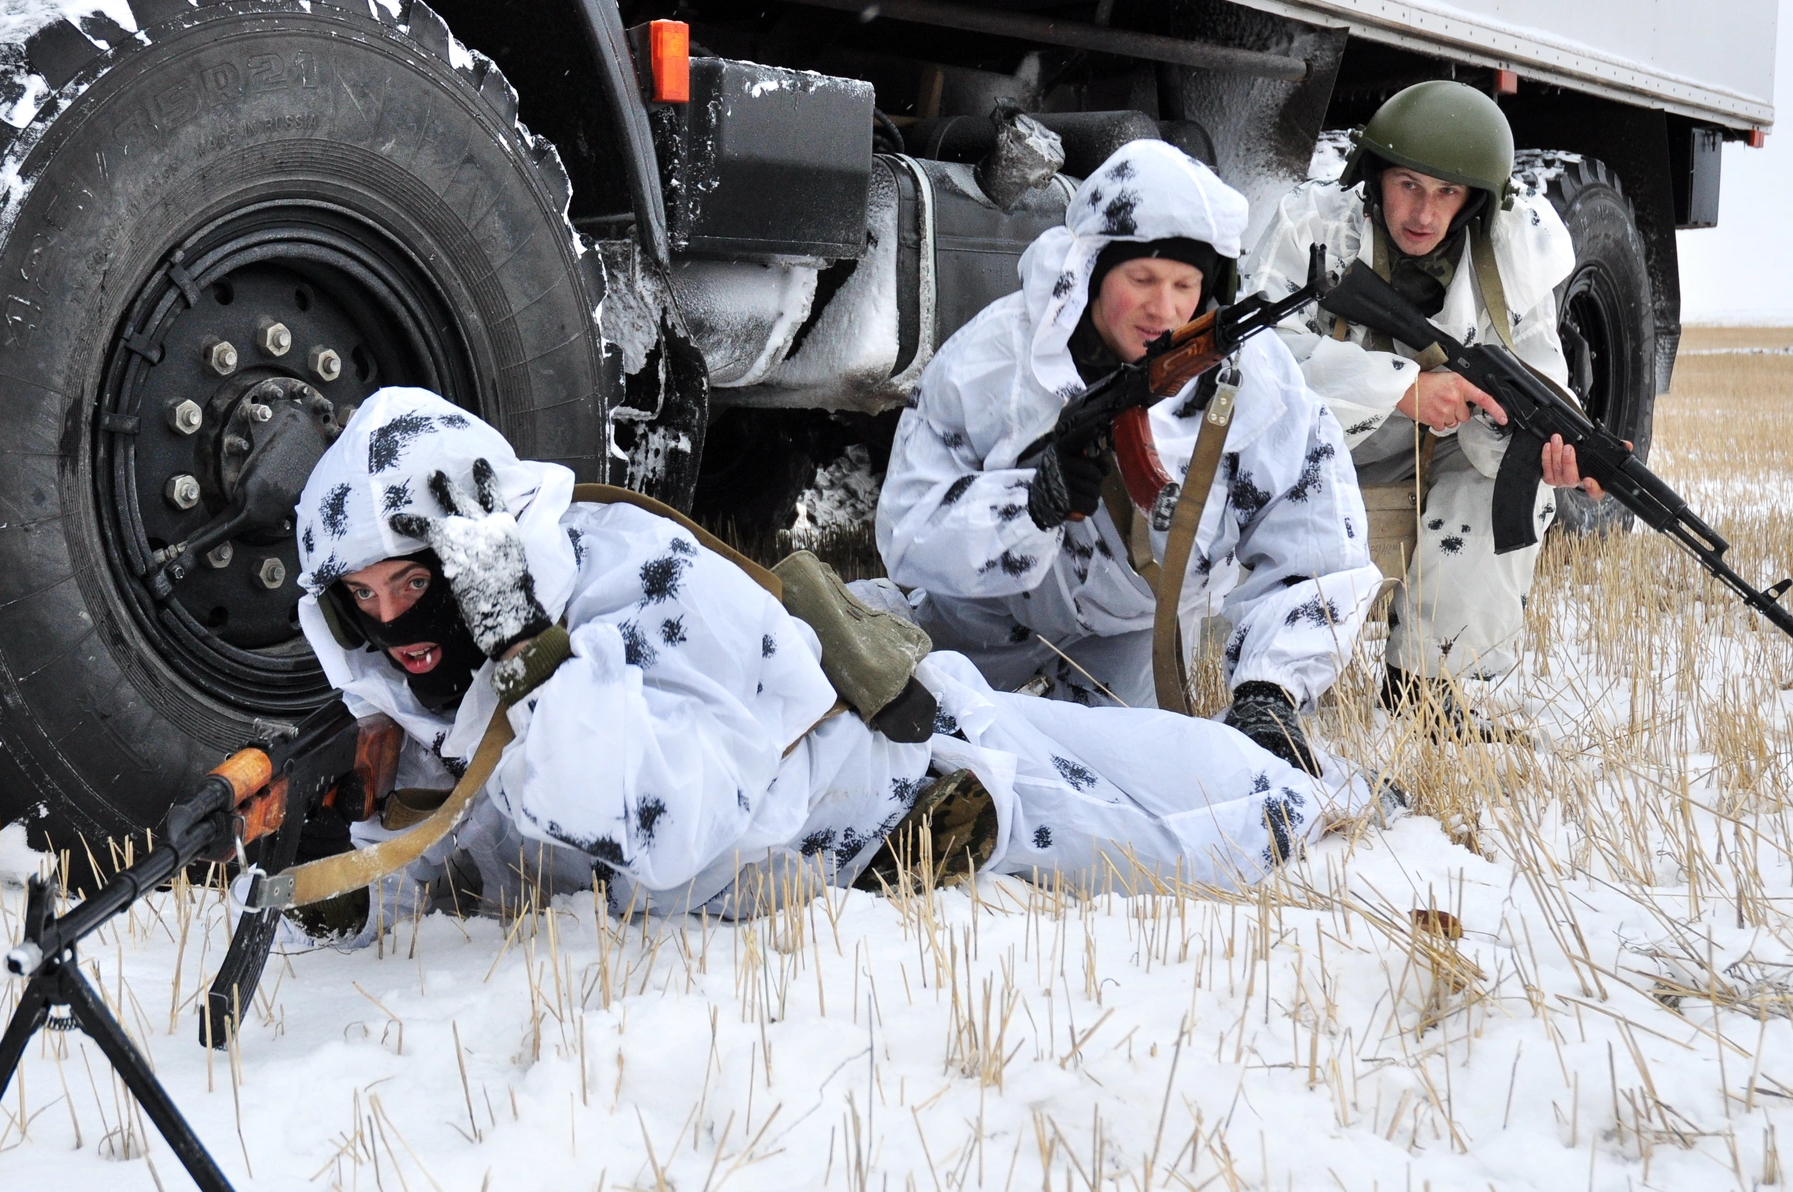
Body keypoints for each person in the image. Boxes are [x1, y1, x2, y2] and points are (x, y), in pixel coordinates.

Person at [289, 387, 1367, 940]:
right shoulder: (441, 661)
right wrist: (360, 876)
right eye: (363, 599)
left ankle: (1319, 800)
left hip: (900, 781)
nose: (393, 624)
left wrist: (529, 653)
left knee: (1171, 824)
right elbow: (505, 825)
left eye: (411, 583)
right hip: (842, 842)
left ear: (474, 554)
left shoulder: (623, 579)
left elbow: (657, 826)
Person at [874, 138, 1383, 771]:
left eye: (1185, 284)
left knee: (1122, 778)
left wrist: (1270, 690)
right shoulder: (995, 360)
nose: (1163, 309)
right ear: (1090, 271)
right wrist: (1024, 506)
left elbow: (1321, 549)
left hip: (1130, 637)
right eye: (1140, 278)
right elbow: (905, 527)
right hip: (981, 620)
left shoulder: (1260, 388)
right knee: (892, 730)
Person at [1238, 80, 1604, 734]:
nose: (1423, 213)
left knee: (1506, 485)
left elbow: (1540, 375)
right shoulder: (1314, 225)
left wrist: (1557, 454)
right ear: (1375, 177)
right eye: (1408, 184)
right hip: (1309, 451)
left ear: (1474, 204)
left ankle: (1426, 683)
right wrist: (1403, 387)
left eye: (1447, 193)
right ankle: (1270, 682)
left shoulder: (1507, 255)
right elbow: (1252, 353)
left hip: (1429, 456)